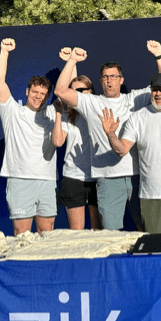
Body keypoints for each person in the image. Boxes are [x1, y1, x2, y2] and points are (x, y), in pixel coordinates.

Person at [53, 41, 161, 230]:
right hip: (107, 179)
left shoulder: (134, 99)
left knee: (147, 229)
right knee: (111, 234)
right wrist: (72, 60)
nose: (109, 80)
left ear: (121, 80)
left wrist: (159, 56)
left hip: (137, 176)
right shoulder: (91, 102)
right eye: (105, 77)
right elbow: (60, 91)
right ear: (100, 81)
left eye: (113, 76)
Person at [99, 73, 161, 234]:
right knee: (154, 243)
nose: (158, 94)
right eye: (155, 90)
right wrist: (111, 135)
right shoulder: (137, 117)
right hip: (150, 194)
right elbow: (122, 150)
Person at [0, 38, 58, 236]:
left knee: (47, 233)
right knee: (22, 234)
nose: (38, 96)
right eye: (35, 92)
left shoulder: (52, 113)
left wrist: (72, 61)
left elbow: (68, 92)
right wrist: (4, 51)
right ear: (27, 91)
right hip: (20, 180)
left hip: (47, 181)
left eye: (43, 94)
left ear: (47, 97)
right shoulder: (12, 111)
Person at [52, 48, 100, 230]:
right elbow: (58, 142)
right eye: (74, 92)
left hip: (97, 176)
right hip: (73, 176)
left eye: (82, 91)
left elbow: (77, 92)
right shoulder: (67, 115)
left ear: (91, 91)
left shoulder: (98, 109)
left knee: (98, 232)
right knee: (76, 234)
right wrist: (58, 114)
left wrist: (72, 61)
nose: (77, 94)